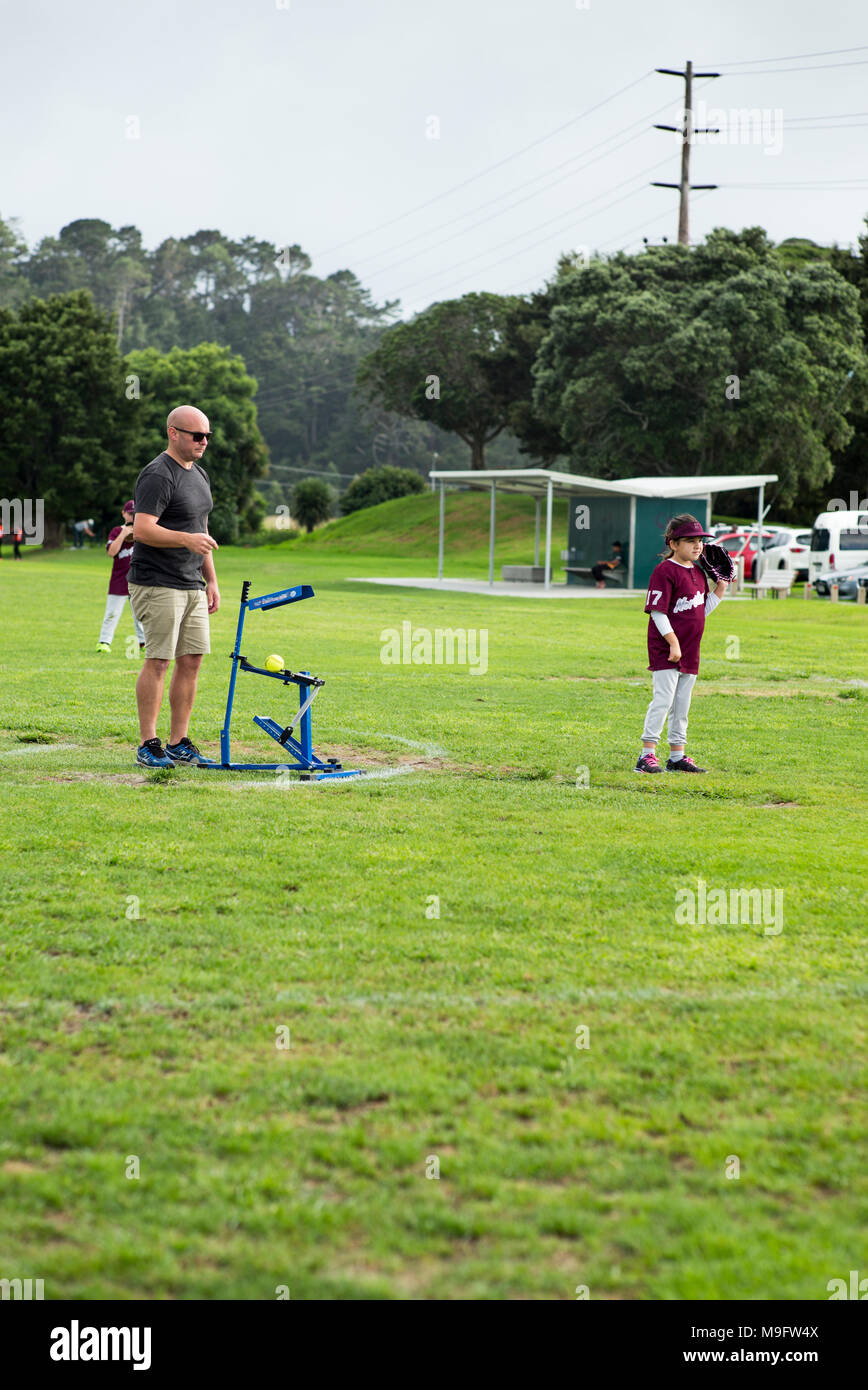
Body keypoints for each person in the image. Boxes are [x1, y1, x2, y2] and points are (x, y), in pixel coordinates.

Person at [128, 405, 220, 768]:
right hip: (156, 582)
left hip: (191, 582)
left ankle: (178, 742)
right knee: (159, 661)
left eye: (207, 436)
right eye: (197, 435)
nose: (203, 442)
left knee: (192, 661)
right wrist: (185, 541)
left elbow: (202, 530)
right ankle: (147, 743)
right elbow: (142, 529)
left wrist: (211, 579)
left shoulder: (199, 475)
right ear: (173, 433)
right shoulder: (157, 474)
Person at [636, 515, 728, 775]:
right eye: (690, 541)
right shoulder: (664, 571)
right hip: (667, 647)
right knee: (663, 700)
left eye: (699, 541)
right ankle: (646, 755)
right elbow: (657, 612)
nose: (697, 546)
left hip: (690, 647)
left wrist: (720, 588)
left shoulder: (698, 572)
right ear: (673, 543)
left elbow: (699, 610)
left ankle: (676, 756)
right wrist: (673, 643)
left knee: (682, 704)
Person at [96, 501, 146, 653]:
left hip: (138, 579)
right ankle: (104, 642)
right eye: (130, 513)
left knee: (141, 614)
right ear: (123, 513)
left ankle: (144, 643)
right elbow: (111, 552)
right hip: (119, 580)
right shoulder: (117, 530)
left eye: (135, 514)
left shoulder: (144, 530)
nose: (132, 516)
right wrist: (123, 534)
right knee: (112, 613)